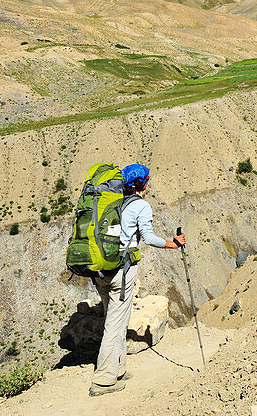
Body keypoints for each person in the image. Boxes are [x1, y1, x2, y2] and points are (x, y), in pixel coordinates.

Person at [90, 163, 186, 397]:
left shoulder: (112, 202)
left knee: (115, 317)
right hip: (122, 270)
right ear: (143, 182)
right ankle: (103, 380)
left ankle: (119, 368)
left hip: (100, 268)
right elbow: (149, 238)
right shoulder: (140, 205)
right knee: (115, 322)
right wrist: (173, 243)